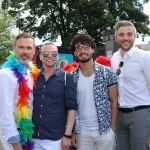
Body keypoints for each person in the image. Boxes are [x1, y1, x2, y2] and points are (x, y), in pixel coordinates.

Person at [70, 34, 118, 150]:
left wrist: (113, 128)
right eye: (78, 48)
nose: (82, 51)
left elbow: (114, 102)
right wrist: (73, 132)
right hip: (82, 132)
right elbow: (71, 106)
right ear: (75, 53)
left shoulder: (107, 73)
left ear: (92, 49)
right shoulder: (71, 77)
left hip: (105, 130)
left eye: (86, 47)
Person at [111, 20, 150, 150]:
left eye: (129, 34)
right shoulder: (114, 58)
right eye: (121, 34)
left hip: (141, 113)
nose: (126, 38)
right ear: (116, 37)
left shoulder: (144, 57)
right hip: (120, 115)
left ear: (135, 36)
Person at [32, 42, 77, 150]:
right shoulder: (33, 77)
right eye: (46, 54)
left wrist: (67, 135)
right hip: (33, 138)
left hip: (56, 140)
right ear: (41, 56)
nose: (50, 57)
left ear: (57, 57)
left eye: (54, 54)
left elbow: (71, 108)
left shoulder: (67, 77)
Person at [0, 32, 37, 150]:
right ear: (14, 49)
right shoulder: (6, 74)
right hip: (12, 135)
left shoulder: (29, 71)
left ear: (33, 51)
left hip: (25, 132)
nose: (25, 51)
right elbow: (4, 113)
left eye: (28, 48)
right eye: (21, 47)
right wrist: (16, 143)